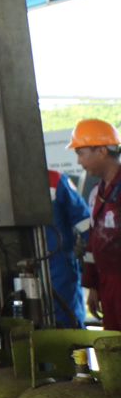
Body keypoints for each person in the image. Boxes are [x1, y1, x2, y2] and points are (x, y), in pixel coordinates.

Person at [73, 118, 121, 330]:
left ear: (101, 151)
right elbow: (94, 243)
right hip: (107, 284)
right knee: (112, 342)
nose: (78, 161)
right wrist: (93, 286)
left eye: (81, 153)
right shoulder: (96, 194)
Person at [46, 167, 92, 327]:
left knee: (69, 320)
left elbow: (85, 223)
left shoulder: (55, 179)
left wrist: (93, 265)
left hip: (60, 265)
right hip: (26, 266)